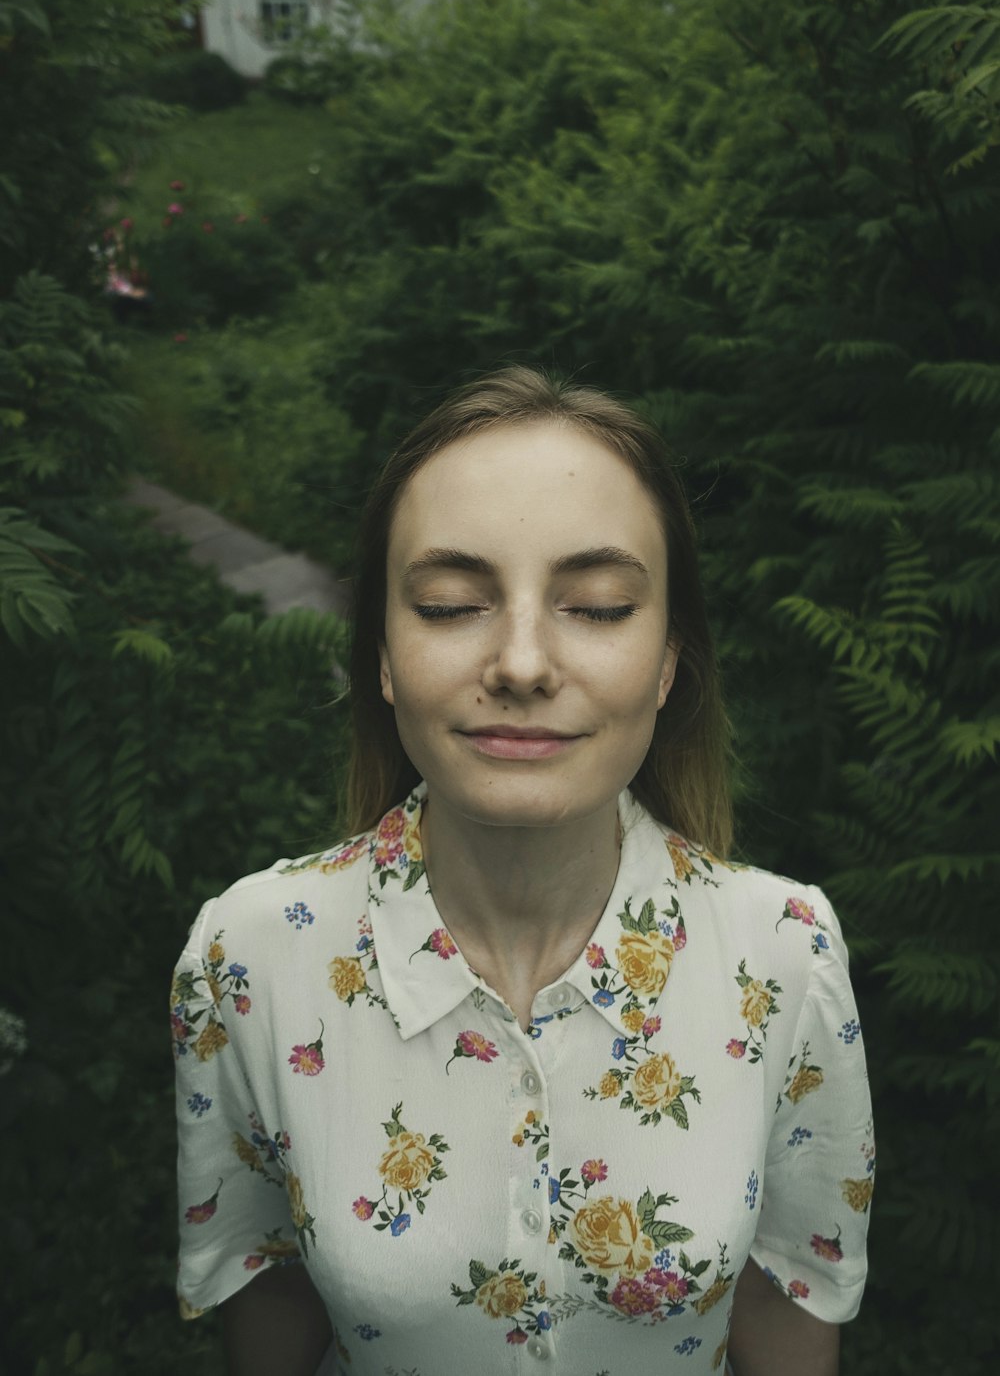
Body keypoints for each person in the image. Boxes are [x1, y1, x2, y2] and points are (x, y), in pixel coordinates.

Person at [171, 366, 874, 1376]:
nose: (523, 662)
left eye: (595, 605)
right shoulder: (248, 958)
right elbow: (268, 1291)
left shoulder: (783, 956)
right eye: (453, 604)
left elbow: (789, 1297)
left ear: (669, 660)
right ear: (381, 652)